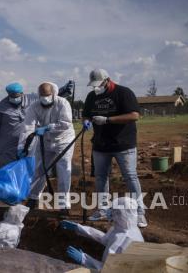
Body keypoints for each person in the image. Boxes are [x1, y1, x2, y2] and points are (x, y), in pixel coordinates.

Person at [82, 69, 147, 228]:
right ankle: (103, 209)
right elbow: (86, 114)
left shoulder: (123, 93)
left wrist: (107, 120)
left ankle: (139, 212)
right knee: (100, 177)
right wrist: (86, 121)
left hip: (123, 144)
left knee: (130, 176)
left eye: (98, 84)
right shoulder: (92, 96)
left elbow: (134, 115)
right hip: (100, 144)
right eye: (94, 85)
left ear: (107, 80)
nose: (96, 88)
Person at [18, 82, 75, 211]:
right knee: (40, 169)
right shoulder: (34, 106)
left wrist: (48, 128)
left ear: (54, 93)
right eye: (42, 95)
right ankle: (34, 197)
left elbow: (66, 123)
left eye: (47, 95)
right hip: (46, 141)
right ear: (39, 94)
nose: (45, 97)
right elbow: (27, 127)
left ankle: (63, 204)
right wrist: (22, 147)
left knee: (64, 170)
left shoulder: (63, 103)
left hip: (64, 140)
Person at [60, 197, 144, 270]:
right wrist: (79, 228)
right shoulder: (126, 228)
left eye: (114, 211)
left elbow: (109, 269)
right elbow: (105, 239)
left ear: (122, 214)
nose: (111, 213)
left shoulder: (125, 240)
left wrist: (85, 259)